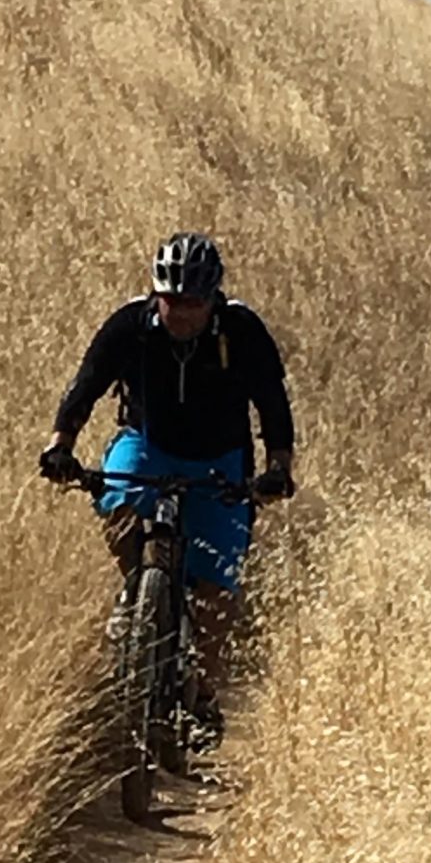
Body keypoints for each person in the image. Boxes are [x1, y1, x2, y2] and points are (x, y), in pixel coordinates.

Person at [40, 232, 296, 739]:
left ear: (213, 298)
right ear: (157, 292)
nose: (181, 313)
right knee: (115, 496)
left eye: (193, 303)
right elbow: (86, 384)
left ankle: (200, 692)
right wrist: (60, 446)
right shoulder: (131, 325)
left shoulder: (241, 331)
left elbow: (272, 405)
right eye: (172, 300)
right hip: (147, 442)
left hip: (221, 458)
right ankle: (140, 592)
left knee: (217, 591)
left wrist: (277, 470)